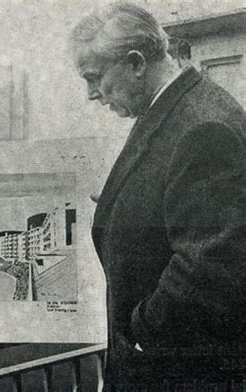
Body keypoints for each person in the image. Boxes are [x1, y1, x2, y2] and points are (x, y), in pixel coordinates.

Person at [69, 3, 246, 391]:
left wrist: (141, 334)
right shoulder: (179, 109)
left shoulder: (203, 126)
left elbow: (209, 265)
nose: (91, 95)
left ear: (135, 63)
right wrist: (124, 204)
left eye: (94, 78)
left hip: (174, 373)